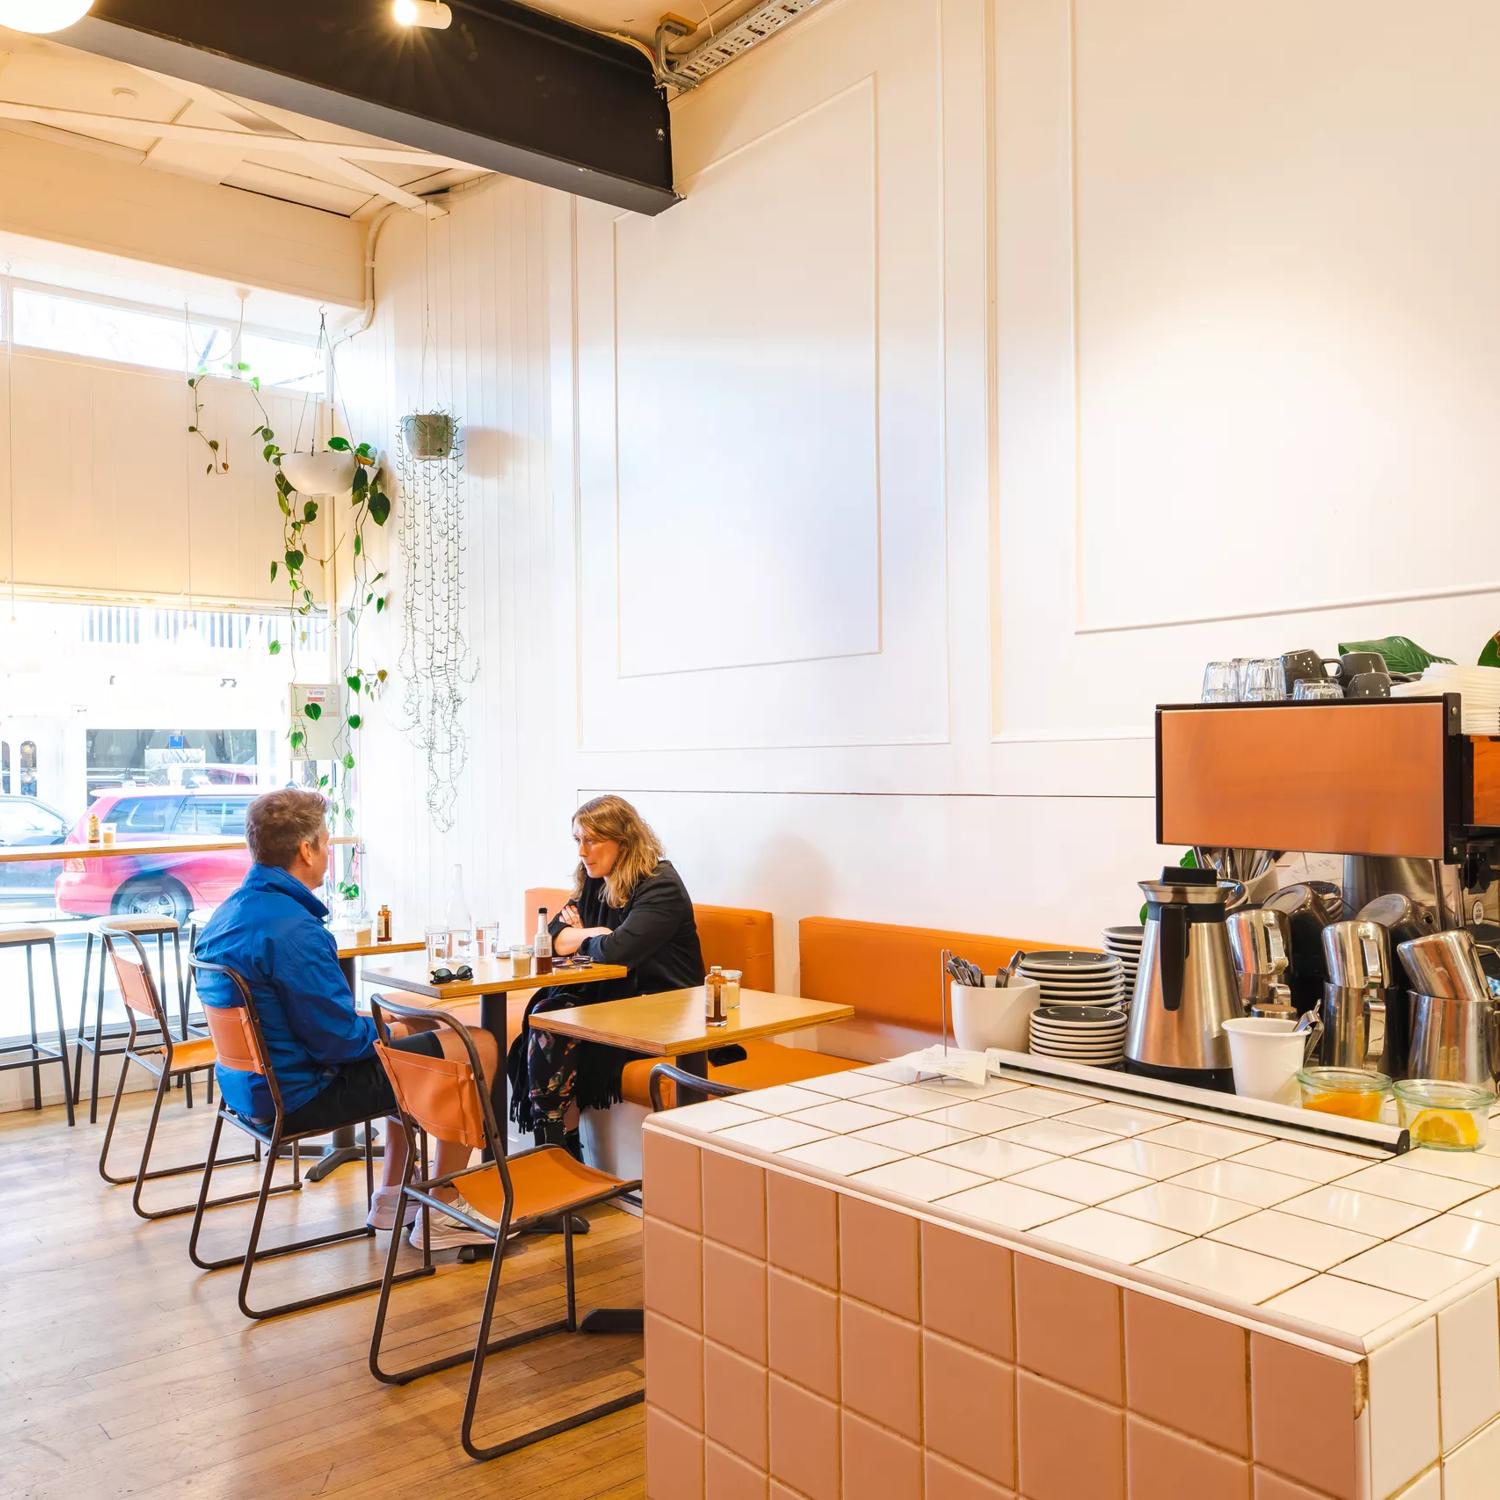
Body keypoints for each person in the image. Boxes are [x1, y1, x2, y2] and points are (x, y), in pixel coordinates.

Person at [193, 788, 497, 1250]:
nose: (329, 853)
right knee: (473, 1044)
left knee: (411, 1040)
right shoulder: (294, 929)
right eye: (327, 842)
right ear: (306, 849)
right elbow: (338, 1044)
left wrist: (390, 1029)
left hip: (249, 1088)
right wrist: (388, 1030)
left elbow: (302, 1018)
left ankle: (394, 1198)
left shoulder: (230, 913)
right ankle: (444, 1206)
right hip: (301, 1096)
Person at [508, 794, 728, 1150]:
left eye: (591, 840)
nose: (582, 851)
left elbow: (618, 953)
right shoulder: (595, 880)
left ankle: (558, 1149)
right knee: (546, 1015)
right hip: (615, 1001)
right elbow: (549, 937)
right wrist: (594, 934)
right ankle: (556, 1146)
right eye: (578, 840)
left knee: (556, 1023)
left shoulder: (660, 885)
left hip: (664, 1009)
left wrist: (580, 938)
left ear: (623, 841)